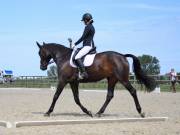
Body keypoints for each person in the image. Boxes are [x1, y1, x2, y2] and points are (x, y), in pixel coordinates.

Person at [71, 13, 95, 79]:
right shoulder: (92, 27)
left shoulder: (88, 27)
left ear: (86, 20)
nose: (83, 22)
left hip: (87, 46)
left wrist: (75, 44)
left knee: (77, 57)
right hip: (89, 45)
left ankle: (83, 73)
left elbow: (83, 37)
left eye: (84, 21)